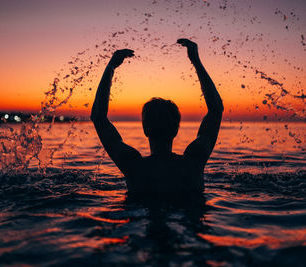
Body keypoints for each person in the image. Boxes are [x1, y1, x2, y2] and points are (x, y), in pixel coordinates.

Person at [91, 38, 223, 195]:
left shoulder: (134, 166)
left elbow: (98, 117)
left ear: (145, 129)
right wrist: (196, 61)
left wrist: (111, 66)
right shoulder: (194, 161)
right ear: (176, 130)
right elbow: (216, 110)